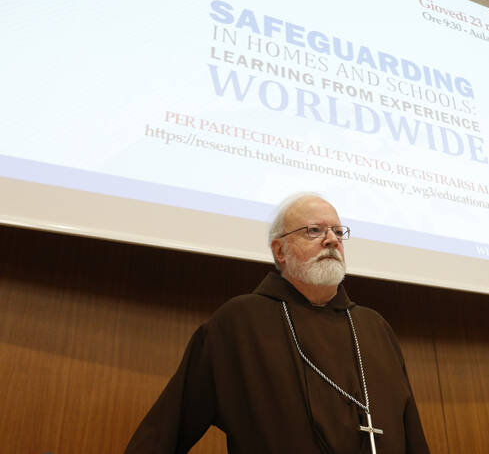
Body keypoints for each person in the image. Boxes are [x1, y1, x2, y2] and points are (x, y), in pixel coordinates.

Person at [124, 194, 430, 453]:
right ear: (279, 251)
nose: (332, 240)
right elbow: (165, 430)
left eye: (338, 231)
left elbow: (412, 434)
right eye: (314, 230)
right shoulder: (239, 323)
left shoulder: (374, 327)